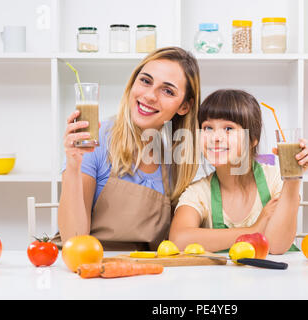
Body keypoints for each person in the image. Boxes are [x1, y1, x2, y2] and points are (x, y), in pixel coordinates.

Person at [57, 47, 201, 250]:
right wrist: (72, 166)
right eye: (145, 81)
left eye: (167, 91)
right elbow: (75, 239)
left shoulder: (176, 165)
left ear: (184, 107)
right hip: (90, 270)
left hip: (146, 275)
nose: (150, 96)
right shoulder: (96, 143)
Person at [169, 89, 308, 254]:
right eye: (208, 128)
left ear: (253, 139)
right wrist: (254, 230)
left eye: (228, 128)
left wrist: (292, 177)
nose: (215, 138)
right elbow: (178, 240)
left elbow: (277, 246)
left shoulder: (276, 179)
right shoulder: (198, 192)